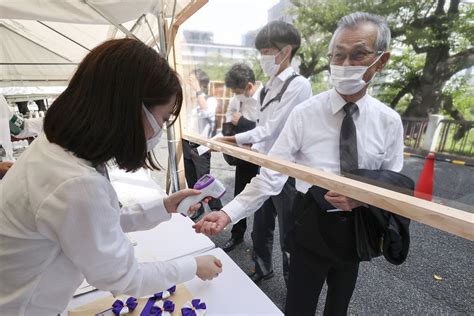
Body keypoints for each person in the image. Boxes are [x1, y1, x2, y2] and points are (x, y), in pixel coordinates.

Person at [194, 12, 404, 315]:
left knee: (339, 306)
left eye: (358, 55)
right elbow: (271, 176)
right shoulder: (306, 114)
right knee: (298, 305)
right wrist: (227, 213)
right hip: (311, 220)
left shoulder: (389, 122)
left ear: (380, 61)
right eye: (338, 56)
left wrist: (364, 196)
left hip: (357, 227)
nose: (345, 65)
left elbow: (391, 177)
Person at [0, 39, 223, 315]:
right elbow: (125, 276)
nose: (159, 131)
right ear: (131, 110)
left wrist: (165, 206)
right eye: (163, 119)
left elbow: (101, 220)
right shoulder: (76, 183)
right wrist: (193, 265)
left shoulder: (59, 149)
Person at [218, 21, 312, 284]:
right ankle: (262, 268)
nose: (263, 57)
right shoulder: (270, 86)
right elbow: (261, 128)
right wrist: (237, 141)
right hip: (264, 166)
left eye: (268, 50)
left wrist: (232, 137)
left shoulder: (298, 85)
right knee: (261, 227)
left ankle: (294, 284)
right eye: (262, 51)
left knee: (289, 234)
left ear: (286, 51)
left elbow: (272, 129)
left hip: (287, 172)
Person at [221, 63, 262, 252]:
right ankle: (237, 234)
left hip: (264, 159)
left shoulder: (265, 98)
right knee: (240, 194)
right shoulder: (237, 98)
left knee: (263, 202)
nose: (236, 95)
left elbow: (267, 130)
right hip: (243, 156)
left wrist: (242, 122)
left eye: (239, 90)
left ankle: (260, 245)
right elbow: (230, 117)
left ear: (250, 86)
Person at [182, 69, 223, 220]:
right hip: (187, 144)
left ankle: (217, 209)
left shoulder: (210, 100)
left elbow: (206, 111)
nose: (190, 83)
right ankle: (198, 209)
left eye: (193, 80)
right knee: (192, 181)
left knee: (205, 181)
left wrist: (197, 89)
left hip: (200, 147)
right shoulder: (190, 102)